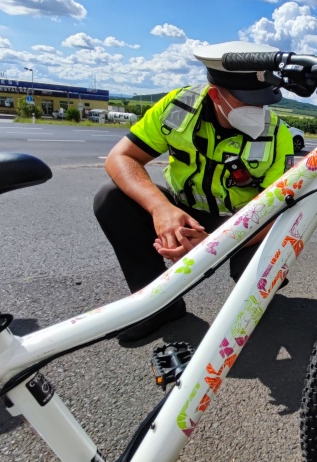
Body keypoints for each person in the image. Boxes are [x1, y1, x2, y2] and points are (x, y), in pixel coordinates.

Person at [93, 41, 294, 342]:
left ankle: (258, 299)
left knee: (277, 243)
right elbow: (121, 158)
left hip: (243, 223)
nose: (259, 111)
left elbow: (273, 213)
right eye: (249, 101)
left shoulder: (278, 135)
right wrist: (161, 209)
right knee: (110, 199)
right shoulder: (178, 108)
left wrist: (214, 243)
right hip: (183, 212)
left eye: (263, 102)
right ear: (216, 95)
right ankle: (158, 307)